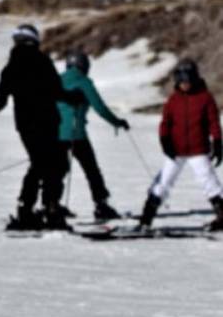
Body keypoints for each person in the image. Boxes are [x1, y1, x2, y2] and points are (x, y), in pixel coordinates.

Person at [0, 24, 83, 231]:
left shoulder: (10, 68)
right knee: (55, 165)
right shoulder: (43, 62)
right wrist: (75, 97)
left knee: (39, 164)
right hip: (49, 122)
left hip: (26, 126)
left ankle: (27, 211)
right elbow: (58, 92)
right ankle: (49, 210)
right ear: (35, 40)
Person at [136, 58, 223, 231]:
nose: (185, 84)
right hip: (176, 151)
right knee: (162, 183)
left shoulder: (205, 98)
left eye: (188, 80)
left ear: (195, 78)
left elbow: (214, 122)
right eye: (181, 81)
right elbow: (165, 123)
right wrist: (165, 140)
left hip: (198, 150)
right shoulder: (173, 100)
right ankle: (145, 220)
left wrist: (218, 142)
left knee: (209, 181)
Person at [57, 50, 130, 221]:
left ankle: (51, 205)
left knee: (58, 171)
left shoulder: (57, 80)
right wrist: (117, 122)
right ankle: (101, 205)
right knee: (92, 171)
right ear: (84, 66)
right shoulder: (84, 82)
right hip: (77, 135)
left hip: (56, 134)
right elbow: (100, 108)